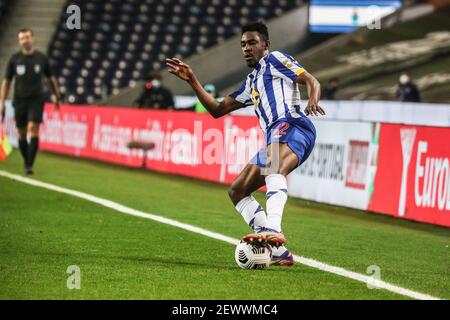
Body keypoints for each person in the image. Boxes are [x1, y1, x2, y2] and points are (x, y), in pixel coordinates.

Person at [166, 22, 324, 266]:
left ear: (266, 45)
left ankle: (273, 228)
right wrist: (192, 81)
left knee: (273, 165)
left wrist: (312, 100)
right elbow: (218, 109)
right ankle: (278, 251)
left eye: (252, 42)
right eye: (243, 44)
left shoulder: (276, 60)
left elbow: (312, 80)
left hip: (294, 126)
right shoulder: (251, 82)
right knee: (237, 190)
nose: (246, 48)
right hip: (275, 136)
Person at [0, 28, 61, 175]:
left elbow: (50, 79)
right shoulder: (15, 59)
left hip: (36, 100)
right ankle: (27, 160)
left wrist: (56, 96)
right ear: (19, 41)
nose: (25, 40)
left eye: (27, 37)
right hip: (19, 100)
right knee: (21, 133)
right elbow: (7, 81)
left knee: (33, 128)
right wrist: (2, 101)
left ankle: (29, 165)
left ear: (33, 39)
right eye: (22, 38)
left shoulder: (41, 58)